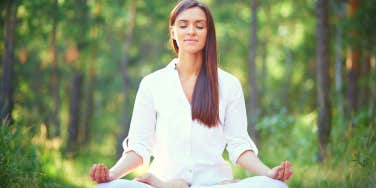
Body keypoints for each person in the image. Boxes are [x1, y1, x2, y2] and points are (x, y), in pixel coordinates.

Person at [90, 0, 293, 187]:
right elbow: (139, 147)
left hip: (215, 183)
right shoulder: (152, 84)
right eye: (183, 25)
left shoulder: (229, 84)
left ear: (208, 32)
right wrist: (111, 174)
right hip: (162, 181)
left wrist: (268, 173)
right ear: (172, 32)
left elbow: (238, 145)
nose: (191, 31)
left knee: (274, 186)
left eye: (199, 26)